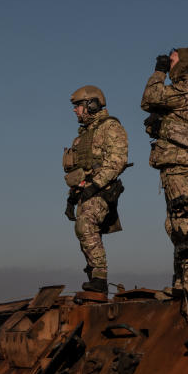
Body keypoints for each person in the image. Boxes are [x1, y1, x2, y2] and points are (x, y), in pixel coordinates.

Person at [140, 47, 188, 295]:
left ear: (183, 63)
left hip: (180, 163)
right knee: (175, 222)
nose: (168, 63)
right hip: (182, 162)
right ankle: (182, 280)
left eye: (172, 60)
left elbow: (149, 98)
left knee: (183, 222)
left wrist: (158, 71)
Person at [63, 85, 128, 293]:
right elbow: (79, 170)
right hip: (85, 192)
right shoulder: (81, 137)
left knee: (85, 224)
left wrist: (96, 185)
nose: (75, 110)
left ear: (91, 105)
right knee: (81, 230)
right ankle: (93, 274)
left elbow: (117, 161)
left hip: (103, 190)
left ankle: (99, 277)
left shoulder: (110, 127)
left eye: (78, 106)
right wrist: (71, 198)